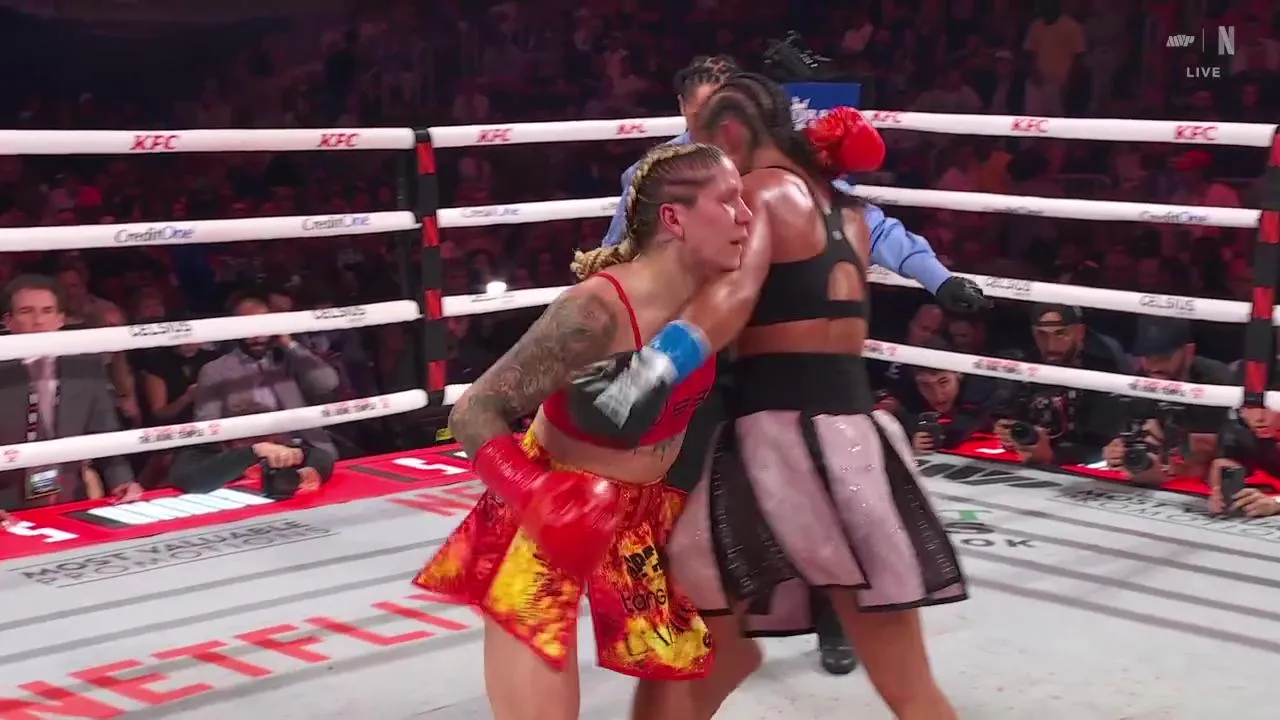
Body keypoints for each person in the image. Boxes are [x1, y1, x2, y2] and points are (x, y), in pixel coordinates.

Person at [578, 74, 964, 719]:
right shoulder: (846, 209)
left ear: (730, 135)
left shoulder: (760, 192)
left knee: (702, 629)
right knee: (746, 649)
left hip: (784, 445)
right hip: (854, 436)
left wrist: (647, 374)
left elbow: (730, 298)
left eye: (707, 153)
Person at [414, 143, 749, 720]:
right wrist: (535, 493)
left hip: (645, 512)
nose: (746, 214)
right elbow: (473, 410)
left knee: (696, 677)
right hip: (549, 505)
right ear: (674, 219)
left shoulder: (716, 294)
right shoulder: (595, 311)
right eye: (730, 200)